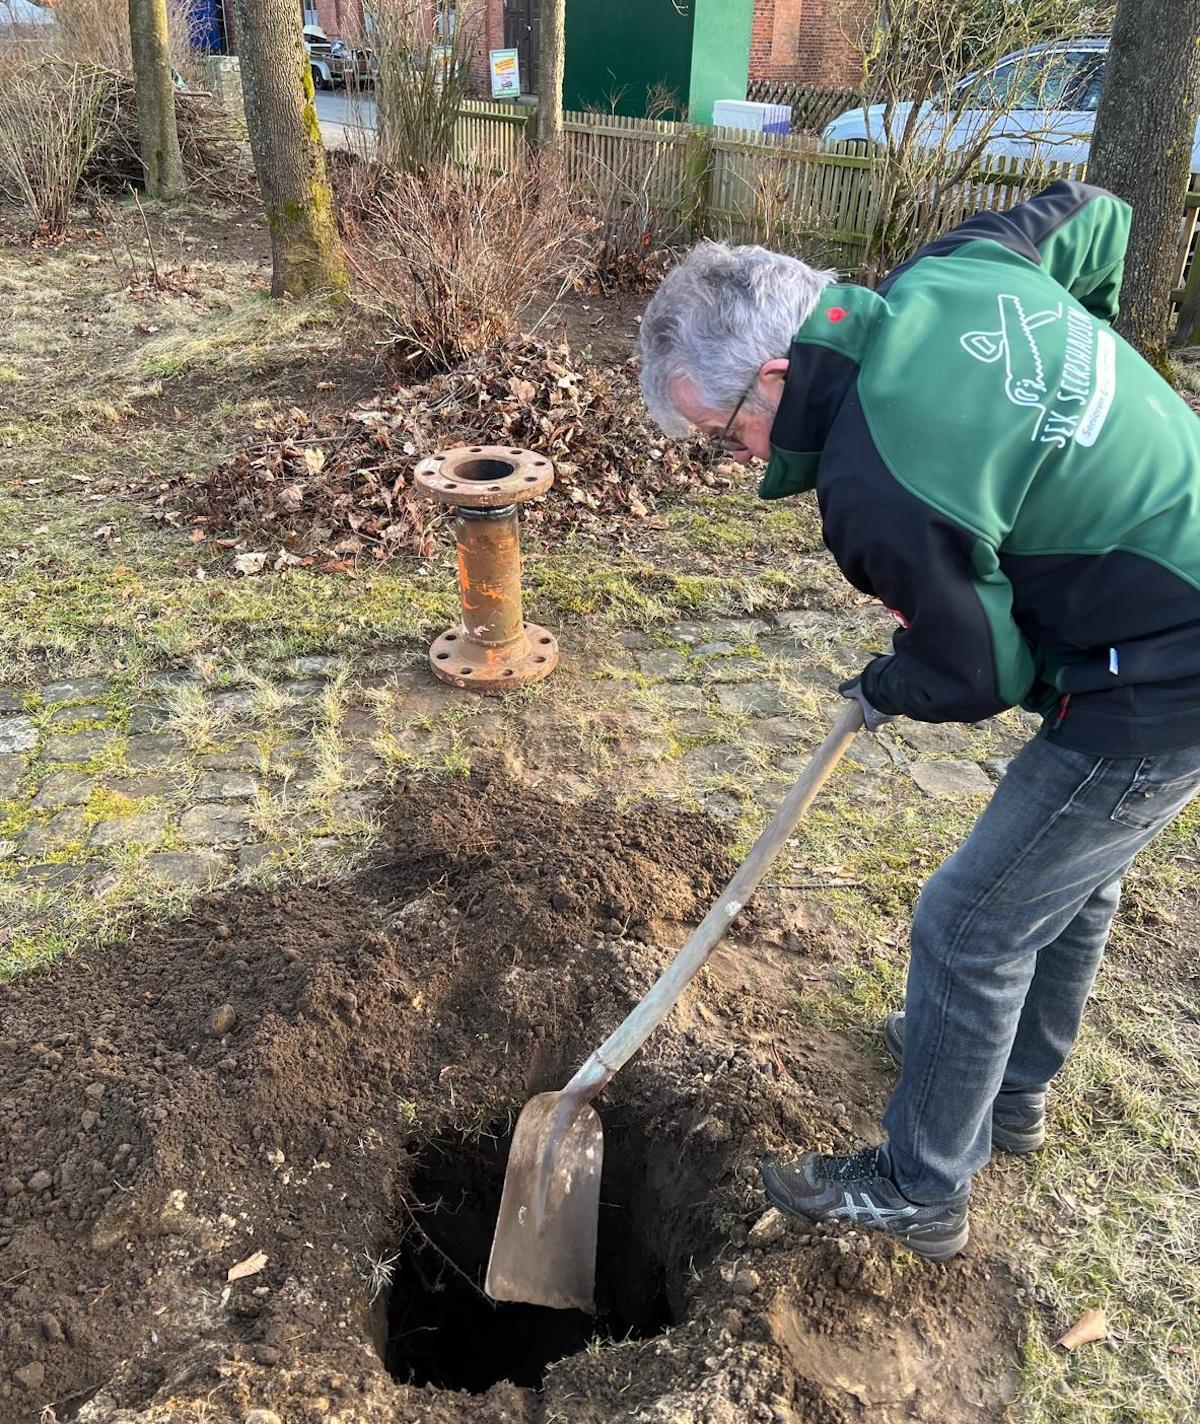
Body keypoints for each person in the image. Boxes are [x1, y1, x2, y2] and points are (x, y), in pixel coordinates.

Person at [637, 182, 1200, 1261]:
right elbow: (1097, 212)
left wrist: (886, 685)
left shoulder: (871, 485)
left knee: (969, 923)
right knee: (1067, 876)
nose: (738, 458)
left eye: (724, 434)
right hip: (1176, 581)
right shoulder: (956, 268)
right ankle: (1013, 1091)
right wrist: (1076, 392)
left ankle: (921, 1186)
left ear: (772, 377)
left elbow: (984, 667)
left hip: (1166, 668)